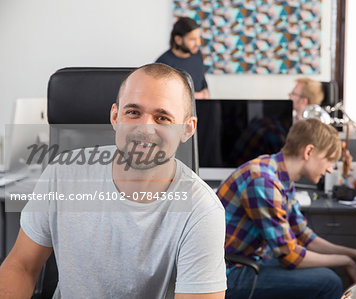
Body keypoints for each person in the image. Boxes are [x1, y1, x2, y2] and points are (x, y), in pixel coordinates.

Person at [0, 63, 226, 298]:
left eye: (162, 118)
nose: (145, 128)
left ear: (187, 129)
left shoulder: (202, 211)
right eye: (133, 112)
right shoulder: (62, 173)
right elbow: (22, 266)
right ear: (115, 116)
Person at [216, 118, 356, 299]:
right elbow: (290, 256)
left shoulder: (280, 176)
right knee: (329, 282)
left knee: (324, 274)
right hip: (227, 274)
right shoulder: (263, 181)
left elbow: (305, 236)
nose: (330, 170)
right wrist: (345, 261)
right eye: (329, 160)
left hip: (248, 259)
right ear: (309, 151)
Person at [156, 17, 210, 99]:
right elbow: (161, 95)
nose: (198, 43)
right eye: (192, 39)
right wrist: (193, 96)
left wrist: (205, 91)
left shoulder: (197, 55)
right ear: (178, 40)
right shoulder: (163, 63)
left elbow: (202, 81)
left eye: (198, 38)